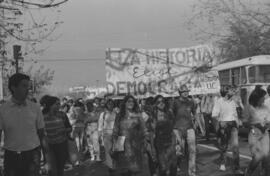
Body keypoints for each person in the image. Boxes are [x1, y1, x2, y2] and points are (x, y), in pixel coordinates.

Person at [0, 73, 50, 176]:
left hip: (32, 155)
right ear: (13, 88)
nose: (27, 89)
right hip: (11, 156)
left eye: (28, 86)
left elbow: (42, 134)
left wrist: (47, 159)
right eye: (24, 86)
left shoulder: (35, 108)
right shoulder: (2, 110)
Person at [111, 95, 148, 176]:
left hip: (135, 145)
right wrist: (114, 144)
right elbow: (115, 131)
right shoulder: (119, 116)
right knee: (123, 170)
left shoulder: (138, 115)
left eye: (133, 101)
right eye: (129, 101)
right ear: (124, 103)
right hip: (121, 144)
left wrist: (145, 141)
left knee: (134, 170)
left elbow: (144, 130)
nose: (131, 103)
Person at [212, 86, 243, 174]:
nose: (233, 91)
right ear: (225, 92)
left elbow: (235, 113)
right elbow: (214, 115)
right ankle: (223, 162)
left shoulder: (233, 101)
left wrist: (238, 122)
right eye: (230, 90)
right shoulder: (219, 102)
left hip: (233, 125)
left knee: (236, 147)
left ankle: (237, 168)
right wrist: (220, 122)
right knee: (224, 146)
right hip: (224, 125)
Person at [41, 96, 72, 176]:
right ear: (50, 105)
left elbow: (69, 128)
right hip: (49, 146)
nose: (59, 106)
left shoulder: (62, 115)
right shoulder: (42, 117)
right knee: (51, 169)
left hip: (61, 144)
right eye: (56, 104)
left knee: (60, 167)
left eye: (59, 104)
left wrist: (64, 130)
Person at [244, 85, 270, 176]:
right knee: (258, 156)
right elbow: (244, 123)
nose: (264, 99)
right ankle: (249, 171)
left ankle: (264, 174)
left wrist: (267, 124)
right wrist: (255, 125)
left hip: (265, 133)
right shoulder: (249, 108)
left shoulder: (265, 107)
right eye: (262, 97)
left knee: (266, 157)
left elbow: (268, 120)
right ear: (257, 98)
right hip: (254, 133)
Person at [172, 85, 196, 176]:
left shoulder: (191, 102)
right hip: (178, 130)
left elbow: (194, 113)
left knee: (192, 151)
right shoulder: (175, 102)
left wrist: (196, 121)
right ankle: (176, 166)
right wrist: (174, 129)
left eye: (187, 91)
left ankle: (192, 172)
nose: (186, 92)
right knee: (178, 152)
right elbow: (171, 115)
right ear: (180, 93)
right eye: (183, 91)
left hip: (190, 129)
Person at [152, 95, 177, 176]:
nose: (161, 103)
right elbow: (151, 132)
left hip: (170, 141)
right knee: (163, 166)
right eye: (158, 102)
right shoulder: (153, 114)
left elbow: (174, 126)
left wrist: (177, 140)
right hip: (160, 143)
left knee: (173, 165)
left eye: (162, 101)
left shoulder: (169, 112)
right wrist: (152, 147)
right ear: (155, 104)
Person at [98, 99, 116, 175]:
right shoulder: (103, 114)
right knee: (108, 151)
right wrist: (99, 136)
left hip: (116, 135)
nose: (110, 105)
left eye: (112, 104)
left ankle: (115, 165)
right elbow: (100, 126)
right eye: (109, 104)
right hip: (106, 135)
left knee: (116, 151)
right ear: (106, 105)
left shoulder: (117, 113)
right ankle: (110, 167)